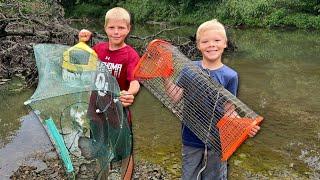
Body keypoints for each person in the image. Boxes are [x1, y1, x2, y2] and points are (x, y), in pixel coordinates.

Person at [164, 19, 260, 180]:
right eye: (205, 41)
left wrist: (245, 126)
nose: (211, 45)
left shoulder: (231, 76)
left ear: (225, 44)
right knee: (189, 176)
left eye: (217, 40)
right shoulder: (189, 70)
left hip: (218, 141)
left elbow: (229, 111)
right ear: (198, 45)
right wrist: (165, 76)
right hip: (190, 138)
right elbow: (175, 97)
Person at [78, 7, 140, 180]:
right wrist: (82, 42)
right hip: (96, 110)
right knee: (100, 148)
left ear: (128, 29)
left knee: (125, 151)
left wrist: (130, 92)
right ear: (105, 28)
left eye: (121, 28)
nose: (116, 32)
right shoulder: (97, 49)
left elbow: (135, 81)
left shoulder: (131, 55)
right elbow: (79, 63)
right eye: (112, 27)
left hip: (117, 112)